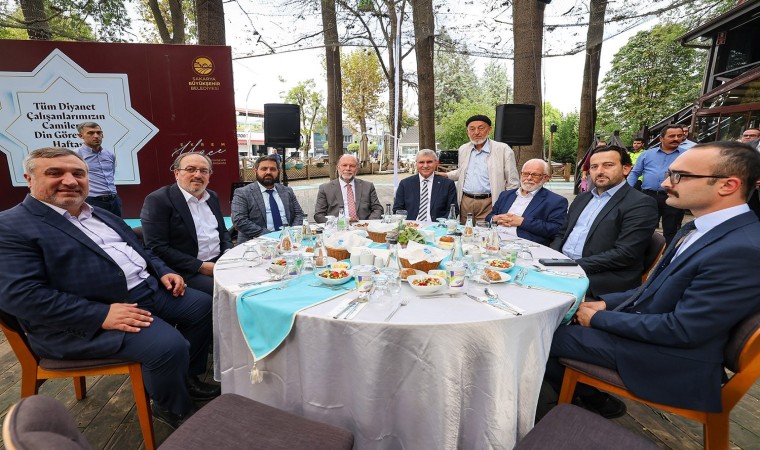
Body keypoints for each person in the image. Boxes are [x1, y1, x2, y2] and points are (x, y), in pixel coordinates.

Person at [0, 147, 218, 430]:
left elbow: (142, 250)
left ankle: (186, 377)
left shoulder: (101, 214)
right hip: (88, 319)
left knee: (204, 305)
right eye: (55, 173)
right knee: (169, 346)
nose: (70, 180)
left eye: (78, 173)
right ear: (29, 179)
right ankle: (172, 407)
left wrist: (165, 271)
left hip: (148, 291)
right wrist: (100, 314)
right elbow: (21, 296)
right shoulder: (10, 226)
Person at [545, 141, 760, 419]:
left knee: (541, 335)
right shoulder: (698, 228)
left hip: (670, 359)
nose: (665, 183)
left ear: (727, 185)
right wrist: (605, 304)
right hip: (651, 328)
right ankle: (571, 395)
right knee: (550, 324)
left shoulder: (742, 249)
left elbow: (683, 331)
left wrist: (598, 318)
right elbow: (655, 289)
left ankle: (576, 402)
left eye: (679, 176)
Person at [551, 145, 658, 298]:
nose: (599, 171)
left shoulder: (640, 203)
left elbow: (625, 254)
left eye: (608, 165)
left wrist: (571, 266)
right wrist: (553, 259)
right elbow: (562, 233)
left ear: (626, 169)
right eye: (594, 167)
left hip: (601, 279)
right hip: (563, 267)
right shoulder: (582, 198)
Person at [140, 152, 233, 295]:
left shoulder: (212, 196)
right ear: (177, 173)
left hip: (220, 262)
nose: (197, 175)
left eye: (204, 171)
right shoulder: (158, 200)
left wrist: (228, 253)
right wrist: (200, 266)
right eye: (190, 169)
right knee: (230, 291)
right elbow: (157, 247)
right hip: (187, 270)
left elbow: (223, 232)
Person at [444, 115, 519, 223]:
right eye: (472, 129)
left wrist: (505, 204)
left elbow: (513, 182)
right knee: (465, 231)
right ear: (467, 132)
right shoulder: (463, 149)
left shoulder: (503, 149)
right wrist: (446, 175)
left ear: (489, 129)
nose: (476, 132)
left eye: (481, 128)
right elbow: (462, 172)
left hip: (490, 202)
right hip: (465, 201)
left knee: (486, 232)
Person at [627, 124, 691, 245]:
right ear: (661, 138)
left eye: (679, 136)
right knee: (645, 227)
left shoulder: (687, 155)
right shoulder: (647, 154)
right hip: (649, 196)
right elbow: (635, 173)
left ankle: (667, 255)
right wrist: (626, 190)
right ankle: (646, 253)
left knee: (671, 229)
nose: (676, 139)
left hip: (673, 196)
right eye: (672, 136)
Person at [485, 159, 568, 246]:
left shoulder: (556, 201)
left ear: (545, 178)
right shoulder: (506, 195)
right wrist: (495, 219)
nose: (529, 178)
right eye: (525, 174)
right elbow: (489, 217)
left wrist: (522, 222)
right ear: (521, 174)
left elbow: (556, 230)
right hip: (493, 240)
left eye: (535, 175)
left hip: (523, 245)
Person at [231, 155, 305, 242]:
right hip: (256, 241)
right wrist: (271, 236)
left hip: (288, 240)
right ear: (255, 171)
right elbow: (239, 221)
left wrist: (293, 232)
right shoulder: (242, 193)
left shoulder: (287, 191)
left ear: (278, 171)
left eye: (273, 169)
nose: (268, 172)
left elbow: (299, 214)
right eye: (264, 169)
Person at [313, 154, 384, 223]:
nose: (348, 168)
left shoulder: (368, 186)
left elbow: (378, 209)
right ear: (338, 167)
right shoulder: (325, 188)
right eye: (344, 165)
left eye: (352, 166)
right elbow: (319, 215)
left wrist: (367, 223)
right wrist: (337, 223)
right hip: (337, 227)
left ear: (357, 169)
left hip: (362, 226)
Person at [393, 149, 458, 222]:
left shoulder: (447, 184)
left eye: (429, 162)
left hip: (437, 226)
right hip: (411, 225)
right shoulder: (405, 184)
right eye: (421, 162)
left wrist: (440, 224)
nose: (425, 166)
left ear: (436, 163)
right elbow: (397, 210)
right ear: (416, 164)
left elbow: (453, 210)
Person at [75, 122, 122, 216]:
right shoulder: (76, 155)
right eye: (91, 133)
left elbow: (111, 174)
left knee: (118, 225)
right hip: (92, 201)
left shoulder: (109, 154)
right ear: (81, 136)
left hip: (114, 200)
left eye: (99, 133)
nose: (96, 136)